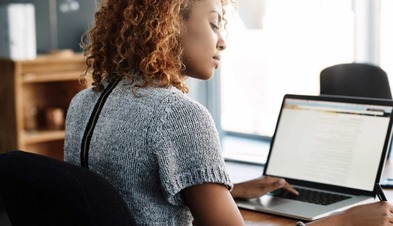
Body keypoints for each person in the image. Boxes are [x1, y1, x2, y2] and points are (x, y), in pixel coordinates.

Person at [64, 0, 393, 225]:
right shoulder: (177, 115)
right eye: (213, 24)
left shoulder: (85, 102)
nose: (222, 42)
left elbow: (132, 197)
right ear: (168, 23)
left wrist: (227, 191)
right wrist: (343, 221)